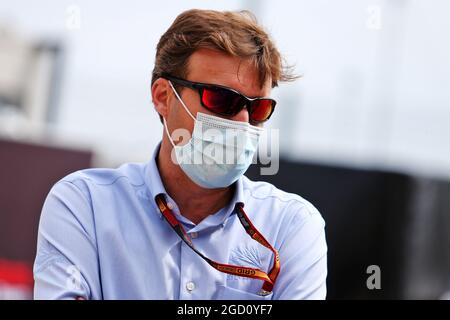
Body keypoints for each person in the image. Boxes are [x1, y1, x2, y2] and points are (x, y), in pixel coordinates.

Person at [33, 9, 327, 300]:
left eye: (258, 108)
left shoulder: (292, 226)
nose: (242, 121)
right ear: (163, 96)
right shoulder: (84, 205)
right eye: (221, 99)